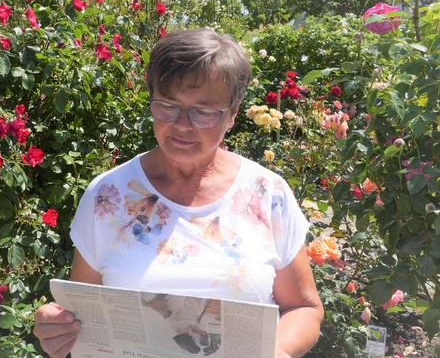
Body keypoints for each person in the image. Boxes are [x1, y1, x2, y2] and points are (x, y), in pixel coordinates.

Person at [34, 28, 323, 358]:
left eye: (203, 112)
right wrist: (57, 327)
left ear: (232, 113)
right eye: (168, 106)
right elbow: (84, 312)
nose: (183, 125)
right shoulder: (108, 196)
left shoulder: (267, 194)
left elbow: (303, 307)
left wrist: (279, 351)